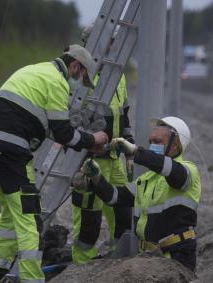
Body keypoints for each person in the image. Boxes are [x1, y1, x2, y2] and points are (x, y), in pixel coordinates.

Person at [0, 44, 108, 283]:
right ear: (75, 66)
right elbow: (64, 133)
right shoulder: (57, 82)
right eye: (82, 78)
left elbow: (43, 125)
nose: (78, 83)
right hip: (9, 150)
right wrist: (92, 140)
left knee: (10, 214)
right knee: (30, 222)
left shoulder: (35, 71)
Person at [78, 117, 201, 271]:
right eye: (151, 141)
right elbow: (115, 197)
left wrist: (136, 152)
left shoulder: (188, 170)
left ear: (175, 146)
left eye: (157, 141)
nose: (152, 145)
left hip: (176, 257)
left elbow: (174, 173)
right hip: (149, 258)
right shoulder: (146, 179)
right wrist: (96, 178)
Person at [70, 25, 135, 264]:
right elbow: (70, 119)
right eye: (107, 42)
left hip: (115, 158)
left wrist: (129, 147)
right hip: (88, 159)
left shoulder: (119, 76)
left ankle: (120, 261)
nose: (112, 47)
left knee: (123, 211)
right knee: (89, 216)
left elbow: (124, 115)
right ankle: (82, 265)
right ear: (91, 44)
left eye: (114, 42)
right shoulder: (81, 77)